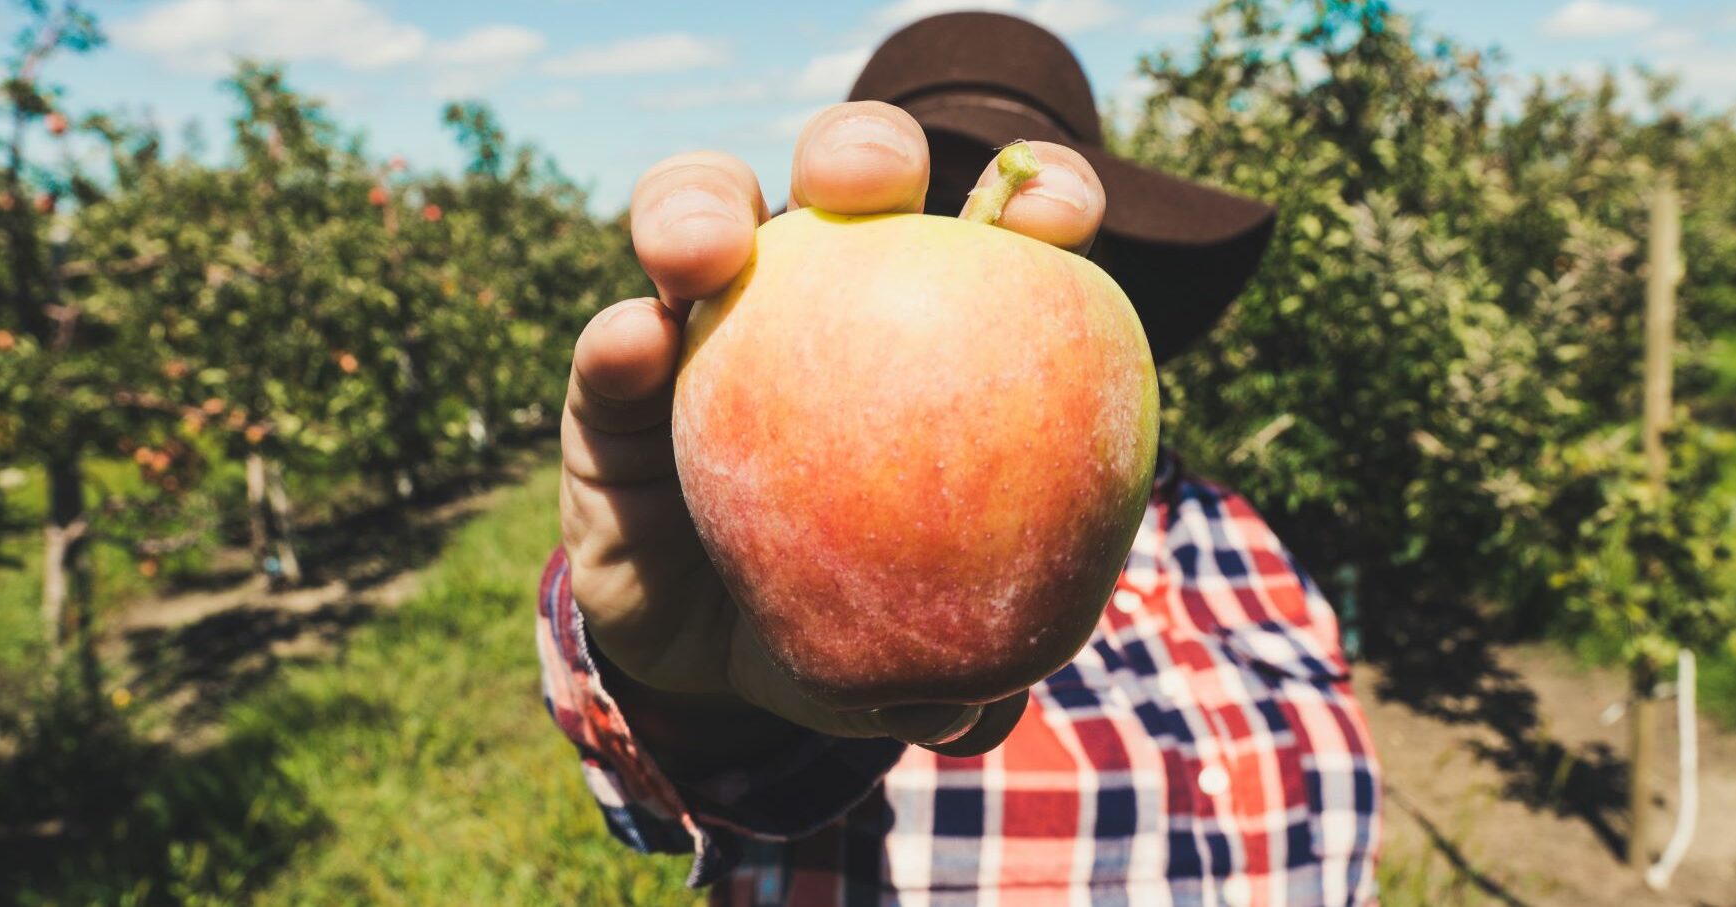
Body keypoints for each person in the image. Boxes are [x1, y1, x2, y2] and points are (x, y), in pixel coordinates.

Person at [539, 12, 1381, 906]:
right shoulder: (765, 542)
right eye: (922, 202)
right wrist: (704, 705)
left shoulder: (1241, 538)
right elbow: (715, 782)